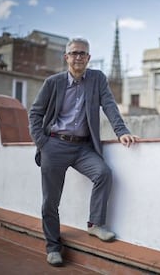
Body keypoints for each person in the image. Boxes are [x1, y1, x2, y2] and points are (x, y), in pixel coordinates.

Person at [28, 37, 138, 267]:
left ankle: (95, 224)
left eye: (83, 54)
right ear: (66, 57)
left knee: (103, 173)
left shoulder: (97, 79)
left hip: (83, 147)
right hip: (55, 145)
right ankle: (53, 247)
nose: (78, 57)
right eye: (74, 53)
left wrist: (121, 132)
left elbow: (109, 105)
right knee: (51, 201)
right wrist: (42, 143)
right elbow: (35, 114)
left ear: (88, 58)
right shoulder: (53, 82)